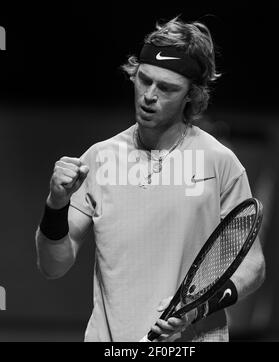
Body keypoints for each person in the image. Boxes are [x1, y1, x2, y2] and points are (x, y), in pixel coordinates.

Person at [35, 17, 265, 342]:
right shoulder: (98, 159)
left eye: (167, 88)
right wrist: (55, 204)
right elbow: (52, 266)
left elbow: (252, 267)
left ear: (192, 95)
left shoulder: (221, 163)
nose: (149, 96)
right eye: (144, 80)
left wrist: (197, 310)